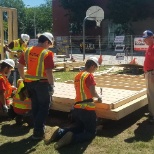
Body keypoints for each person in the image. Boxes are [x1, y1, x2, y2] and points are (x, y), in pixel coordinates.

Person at [44, 57, 102, 149]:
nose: (95, 70)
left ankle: (59, 132)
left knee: (79, 127)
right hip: (87, 109)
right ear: (92, 66)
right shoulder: (89, 76)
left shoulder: (78, 76)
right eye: (95, 68)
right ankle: (72, 139)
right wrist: (99, 97)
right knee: (90, 133)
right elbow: (92, 92)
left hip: (77, 108)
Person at [18, 32, 55, 140]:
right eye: (49, 44)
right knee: (44, 107)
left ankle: (37, 127)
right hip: (42, 84)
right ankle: (38, 132)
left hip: (30, 83)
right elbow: (48, 71)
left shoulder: (27, 50)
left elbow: (20, 66)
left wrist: (24, 79)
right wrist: (52, 85)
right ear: (47, 42)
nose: (49, 46)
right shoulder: (46, 53)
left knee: (35, 106)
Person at [142, 30, 154, 123]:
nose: (144, 41)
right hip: (148, 73)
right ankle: (151, 112)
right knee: (150, 94)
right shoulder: (150, 47)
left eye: (146, 38)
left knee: (152, 94)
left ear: (151, 37)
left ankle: (153, 115)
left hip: (152, 73)